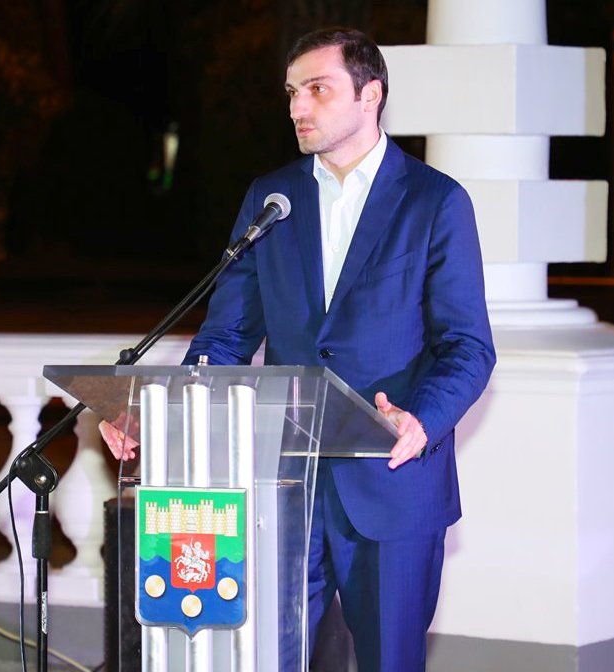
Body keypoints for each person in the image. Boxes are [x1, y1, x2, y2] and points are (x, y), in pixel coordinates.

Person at [106, 27, 495, 671]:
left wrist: (421, 421)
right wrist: (164, 413)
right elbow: (227, 337)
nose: (297, 107)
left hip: (394, 482)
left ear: (370, 94)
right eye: (291, 92)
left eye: (317, 89)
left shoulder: (435, 201)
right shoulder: (272, 200)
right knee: (267, 657)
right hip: (282, 484)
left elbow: (468, 346)